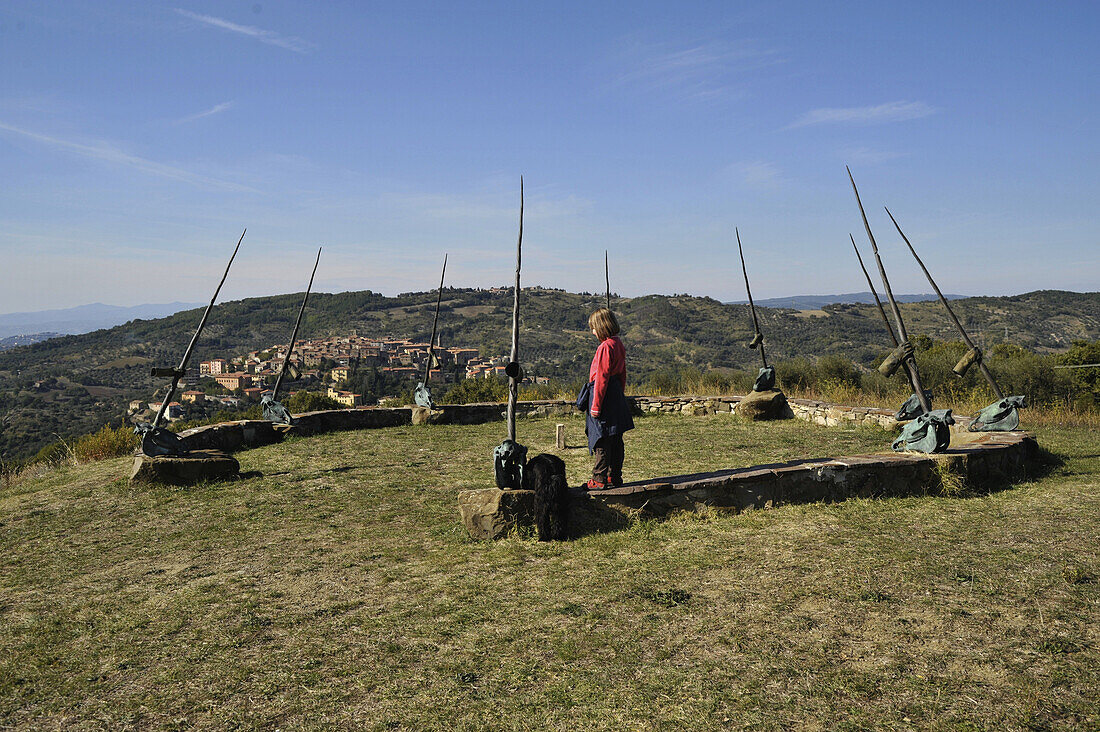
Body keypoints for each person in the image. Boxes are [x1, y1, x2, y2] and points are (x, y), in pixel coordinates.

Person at [576, 308, 634, 490]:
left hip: (604, 395)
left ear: (601, 327)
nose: (592, 332)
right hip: (616, 394)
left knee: (601, 438)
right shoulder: (618, 344)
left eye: (593, 328)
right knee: (616, 438)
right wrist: (620, 394)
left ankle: (598, 478)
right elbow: (622, 373)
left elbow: (601, 377)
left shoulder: (605, 347)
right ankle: (614, 476)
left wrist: (595, 406)